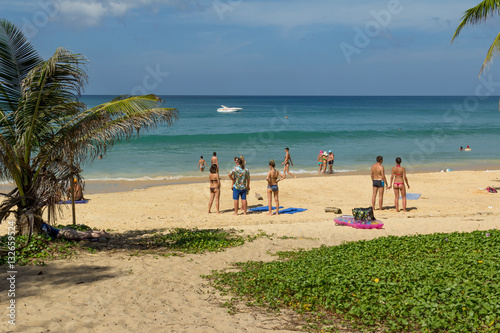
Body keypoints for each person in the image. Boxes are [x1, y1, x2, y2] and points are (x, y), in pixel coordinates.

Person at [41, 222, 110, 241]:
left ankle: (103, 235)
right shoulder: (44, 224)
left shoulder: (43, 226)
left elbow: (46, 236)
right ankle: (100, 232)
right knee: (84, 233)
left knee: (84, 235)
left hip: (63, 233)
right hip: (64, 230)